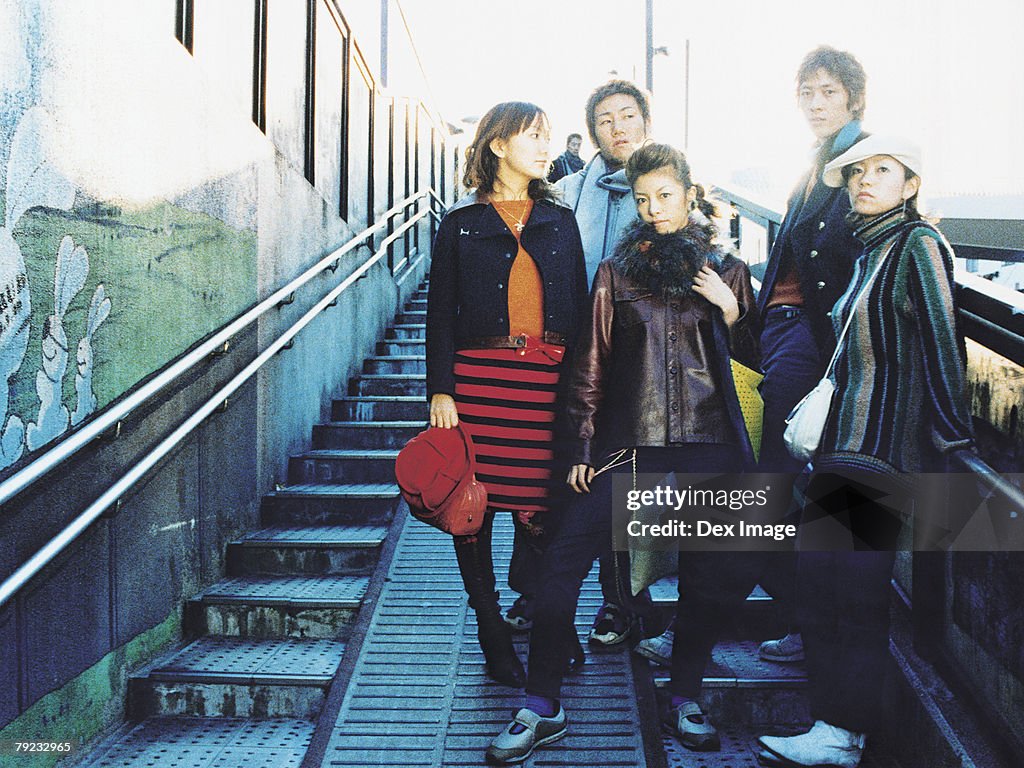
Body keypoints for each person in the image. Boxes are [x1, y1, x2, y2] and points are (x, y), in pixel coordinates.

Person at [486, 143, 761, 764]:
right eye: (643, 199)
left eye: (666, 195)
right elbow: (590, 364)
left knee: (708, 578)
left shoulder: (728, 268)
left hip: (708, 449)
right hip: (624, 450)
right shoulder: (616, 272)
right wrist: (581, 444)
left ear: (691, 195)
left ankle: (684, 692)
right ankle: (541, 702)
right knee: (561, 568)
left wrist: (731, 307)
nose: (655, 208)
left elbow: (756, 365)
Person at [757, 135, 974, 768]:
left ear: (910, 185)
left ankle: (844, 733)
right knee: (828, 584)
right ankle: (834, 727)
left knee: (849, 592)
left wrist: (953, 443)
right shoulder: (871, 247)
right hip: (846, 447)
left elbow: (941, 344)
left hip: (878, 451)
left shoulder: (918, 245)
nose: (864, 181)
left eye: (883, 171)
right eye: (856, 172)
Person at [425, 101, 589, 688]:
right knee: (473, 510)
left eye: (548, 136)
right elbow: (439, 314)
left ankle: (550, 619)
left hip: (546, 383)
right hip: (478, 383)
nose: (546, 147)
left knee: (542, 509)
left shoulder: (560, 220)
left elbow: (578, 306)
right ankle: (491, 627)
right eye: (534, 136)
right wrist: (440, 390)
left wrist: (581, 391)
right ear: (498, 144)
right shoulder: (459, 225)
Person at [752, 46, 871, 664]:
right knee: (774, 478)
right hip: (783, 328)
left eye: (828, 91)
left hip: (814, 340)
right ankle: (789, 614)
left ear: (852, 95)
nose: (817, 103)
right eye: (808, 93)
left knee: (776, 477)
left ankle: (795, 619)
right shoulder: (815, 164)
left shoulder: (860, 159)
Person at [528, 78, 652, 648]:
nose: (618, 127)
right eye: (606, 119)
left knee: (625, 482)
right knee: (555, 475)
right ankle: (536, 597)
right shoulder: (564, 192)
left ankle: (620, 604)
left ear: (646, 124)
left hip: (641, 362)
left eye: (628, 116)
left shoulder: (665, 186)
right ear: (592, 130)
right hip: (573, 353)